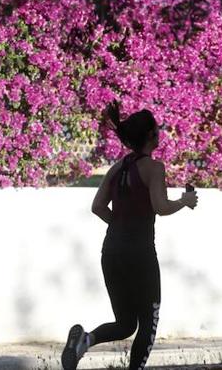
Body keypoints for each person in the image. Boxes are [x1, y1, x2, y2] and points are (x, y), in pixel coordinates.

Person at [61, 103, 199, 370]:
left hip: (111, 252)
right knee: (148, 322)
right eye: (157, 129)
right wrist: (184, 201)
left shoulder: (117, 168)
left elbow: (97, 207)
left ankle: (85, 341)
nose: (160, 133)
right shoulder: (154, 168)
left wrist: (122, 225)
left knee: (125, 324)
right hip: (141, 255)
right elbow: (161, 207)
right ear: (150, 135)